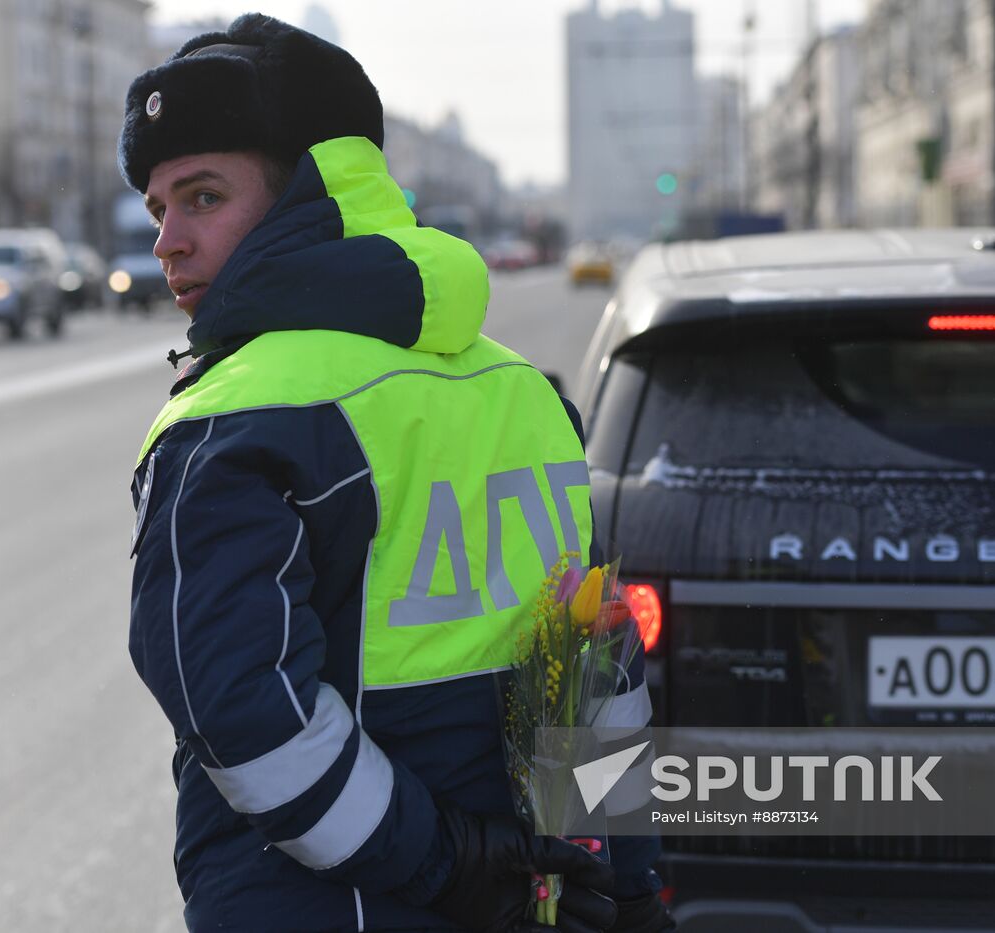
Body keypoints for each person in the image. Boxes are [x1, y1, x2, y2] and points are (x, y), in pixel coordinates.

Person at [120, 14, 673, 932]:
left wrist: (457, 869)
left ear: (314, 192)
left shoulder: (234, 422)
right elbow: (599, 680)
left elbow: (248, 719)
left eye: (204, 196)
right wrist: (632, 886)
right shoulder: (526, 395)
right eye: (157, 207)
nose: (167, 240)